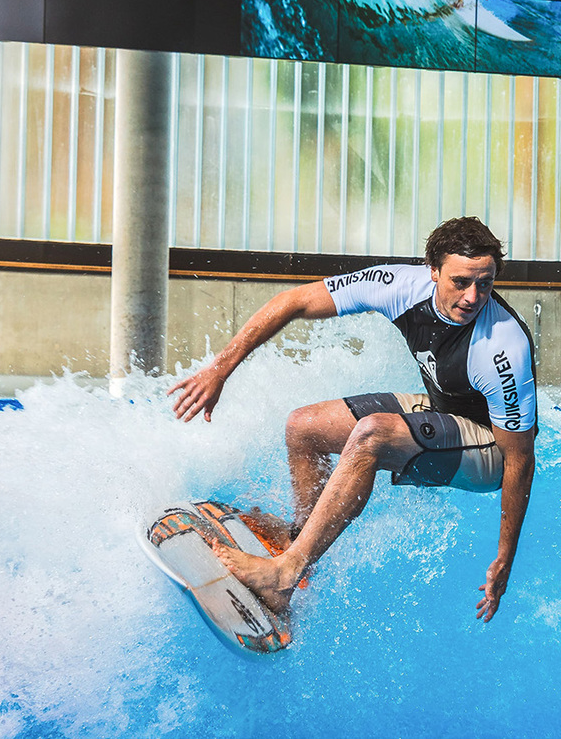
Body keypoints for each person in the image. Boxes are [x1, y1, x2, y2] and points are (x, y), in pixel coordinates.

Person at [168, 217, 535, 624]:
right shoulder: (399, 286)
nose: (473, 296)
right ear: (433, 271)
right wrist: (220, 369)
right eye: (461, 282)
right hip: (443, 410)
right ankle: (299, 544)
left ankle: (284, 574)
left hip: (490, 451)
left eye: (485, 283)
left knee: (372, 434)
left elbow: (518, 459)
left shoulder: (503, 346)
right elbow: (294, 301)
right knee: (303, 427)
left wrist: (505, 558)